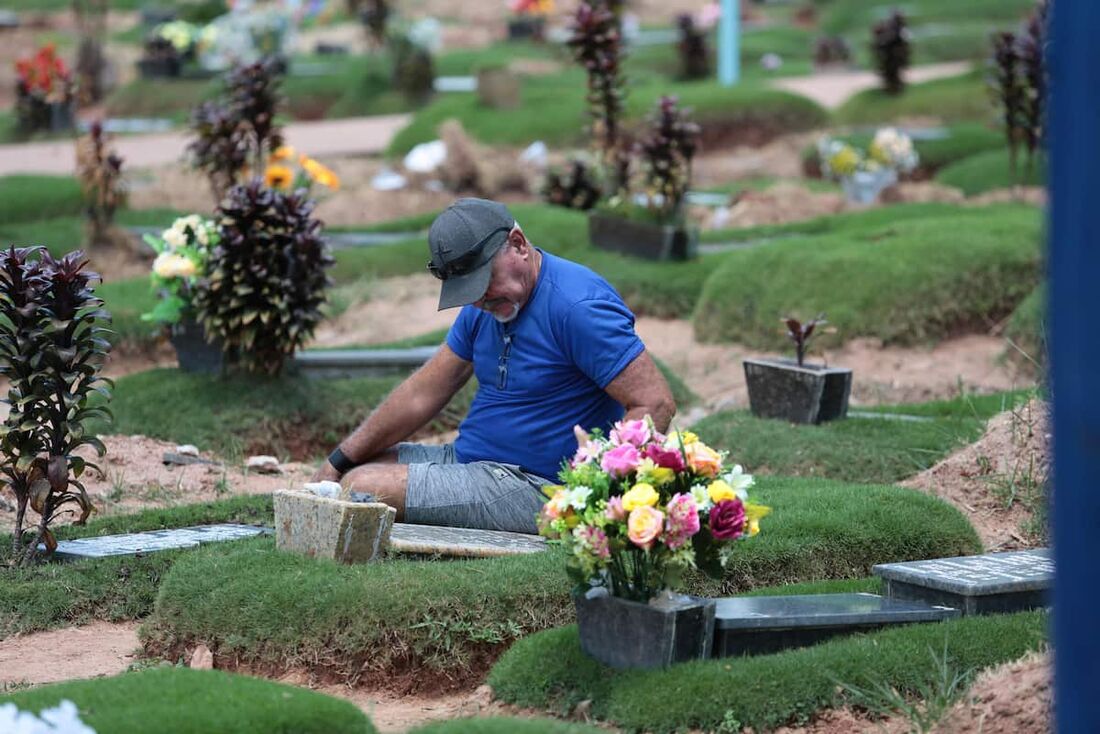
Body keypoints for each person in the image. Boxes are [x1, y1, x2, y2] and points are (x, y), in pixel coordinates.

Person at [313, 198, 675, 533]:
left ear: (518, 244)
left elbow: (655, 402)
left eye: (484, 282)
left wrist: (593, 496)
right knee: (355, 470)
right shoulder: (484, 307)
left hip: (538, 486)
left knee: (364, 487)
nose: (481, 299)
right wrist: (339, 458)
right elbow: (421, 395)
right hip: (470, 462)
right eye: (469, 291)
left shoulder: (576, 307)